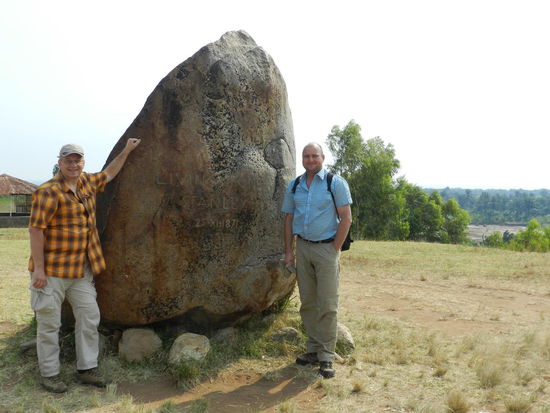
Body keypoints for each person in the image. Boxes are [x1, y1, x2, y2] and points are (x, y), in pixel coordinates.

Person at [28, 138, 141, 393]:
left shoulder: (87, 183)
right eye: (68, 160)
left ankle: (87, 369)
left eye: (77, 160)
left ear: (82, 162)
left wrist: (127, 150)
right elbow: (36, 230)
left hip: (81, 270)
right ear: (59, 163)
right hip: (53, 271)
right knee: (48, 324)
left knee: (89, 317)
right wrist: (39, 269)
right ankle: (49, 374)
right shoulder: (48, 191)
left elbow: (109, 173)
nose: (73, 164)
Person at [281, 142, 352, 379]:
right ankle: (312, 350)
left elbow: (346, 218)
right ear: (302, 159)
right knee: (308, 303)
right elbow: (289, 220)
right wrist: (289, 251)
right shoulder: (295, 186)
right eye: (306, 156)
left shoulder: (335, 183)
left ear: (323, 157)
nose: (310, 160)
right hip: (303, 248)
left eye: (314, 156)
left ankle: (326, 356)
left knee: (328, 305)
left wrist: (334, 248)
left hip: (326, 250)